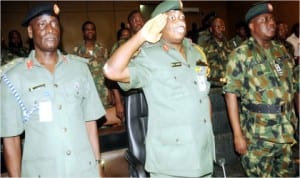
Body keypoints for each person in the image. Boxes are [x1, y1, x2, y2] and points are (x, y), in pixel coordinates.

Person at [104, 0, 215, 177]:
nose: (179, 20)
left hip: (203, 155)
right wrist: (142, 36)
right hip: (172, 162)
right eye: (171, 17)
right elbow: (111, 70)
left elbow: (203, 96)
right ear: (159, 26)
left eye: (181, 17)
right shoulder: (149, 55)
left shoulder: (196, 52)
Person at [1, 2, 105, 177]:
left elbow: (90, 122)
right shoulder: (13, 78)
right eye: (42, 24)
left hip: (84, 171)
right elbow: (11, 139)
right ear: (30, 31)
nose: (50, 29)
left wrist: (98, 167)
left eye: (54, 23)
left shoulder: (80, 69)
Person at [223, 2, 297, 177]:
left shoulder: (282, 51)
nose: (272, 23)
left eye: (272, 19)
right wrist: (237, 135)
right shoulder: (241, 54)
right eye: (265, 19)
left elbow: (292, 89)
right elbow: (230, 95)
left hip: (285, 132)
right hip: (258, 137)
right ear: (252, 26)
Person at [73, 20, 124, 126]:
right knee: (91, 122)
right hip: (86, 95)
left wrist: (112, 91)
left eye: (92, 29)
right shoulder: (76, 51)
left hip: (104, 93)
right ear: (83, 32)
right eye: (87, 29)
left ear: (95, 31)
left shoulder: (103, 50)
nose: (90, 31)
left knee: (107, 122)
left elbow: (110, 72)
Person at [202, 16, 232, 87]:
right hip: (214, 88)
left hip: (230, 86)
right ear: (211, 29)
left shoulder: (230, 46)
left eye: (222, 26)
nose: (221, 29)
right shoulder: (205, 48)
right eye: (218, 27)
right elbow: (201, 70)